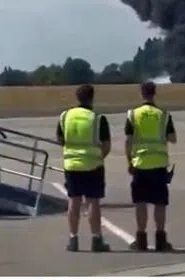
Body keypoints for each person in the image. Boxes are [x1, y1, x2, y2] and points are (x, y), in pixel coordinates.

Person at [56, 84, 112, 253]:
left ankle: (73, 239)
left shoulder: (65, 116)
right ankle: (96, 239)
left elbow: (60, 139)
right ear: (92, 97)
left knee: (74, 201)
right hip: (93, 165)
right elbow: (107, 145)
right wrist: (98, 156)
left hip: (72, 165)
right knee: (93, 202)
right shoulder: (97, 118)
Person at [124, 80, 177, 251]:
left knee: (140, 203)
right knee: (160, 203)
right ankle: (161, 239)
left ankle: (141, 239)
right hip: (159, 164)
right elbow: (172, 139)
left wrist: (129, 161)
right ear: (155, 93)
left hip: (140, 164)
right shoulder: (164, 115)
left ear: (141, 93)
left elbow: (128, 141)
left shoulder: (133, 115)